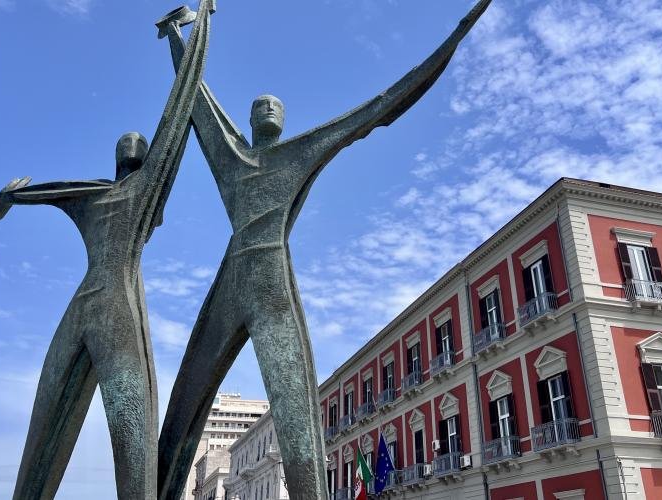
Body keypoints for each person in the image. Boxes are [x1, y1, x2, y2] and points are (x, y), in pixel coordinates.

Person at [156, 1, 492, 499]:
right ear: (249, 120)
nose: (267, 109)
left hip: (271, 279)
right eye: (259, 106)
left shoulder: (300, 152)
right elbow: (196, 102)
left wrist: (456, 36)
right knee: (184, 403)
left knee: (296, 411)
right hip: (230, 280)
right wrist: (176, 38)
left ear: (285, 120)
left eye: (275, 106)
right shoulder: (230, 153)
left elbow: (379, 108)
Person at [0, 2, 213, 498]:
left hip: (120, 303)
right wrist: (12, 198)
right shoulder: (91, 195)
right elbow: (53, 191)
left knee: (133, 445)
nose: (131, 142)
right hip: (83, 305)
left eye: (138, 141)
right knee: (43, 426)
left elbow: (180, 111)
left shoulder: (148, 188)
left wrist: (196, 29)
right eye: (125, 141)